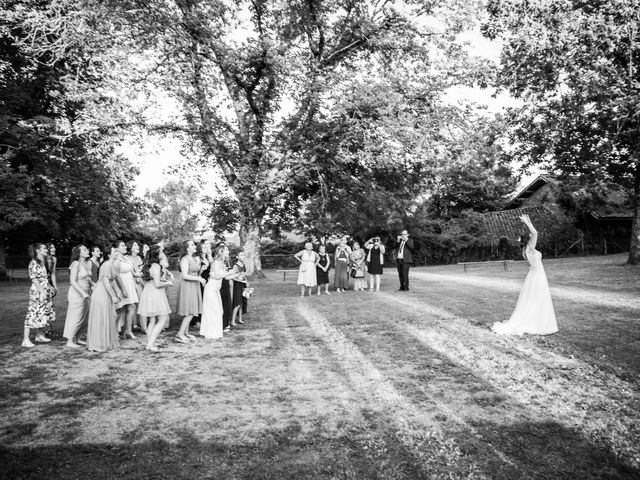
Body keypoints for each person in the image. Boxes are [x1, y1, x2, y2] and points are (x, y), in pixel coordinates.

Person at [492, 214, 558, 335]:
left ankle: (536, 319)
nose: (532, 236)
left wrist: (528, 220)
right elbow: (535, 233)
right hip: (537, 274)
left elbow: (533, 234)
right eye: (530, 237)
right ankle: (537, 323)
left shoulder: (525, 250)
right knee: (538, 297)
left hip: (533, 274)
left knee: (533, 298)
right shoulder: (530, 248)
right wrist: (526, 222)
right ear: (529, 240)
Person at [86, 243, 121, 353]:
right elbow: (106, 283)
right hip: (101, 293)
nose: (117, 253)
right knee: (100, 318)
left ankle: (105, 342)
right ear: (109, 255)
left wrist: (118, 291)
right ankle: (97, 344)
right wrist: (114, 296)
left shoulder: (110, 264)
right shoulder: (106, 265)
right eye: (114, 251)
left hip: (105, 292)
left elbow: (113, 280)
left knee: (105, 317)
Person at [138, 245, 173, 351]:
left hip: (148, 292)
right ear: (157, 254)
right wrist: (168, 282)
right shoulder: (156, 266)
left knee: (153, 320)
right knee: (163, 318)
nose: (163, 253)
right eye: (161, 252)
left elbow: (152, 281)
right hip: (155, 293)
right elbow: (157, 284)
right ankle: (150, 344)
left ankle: (150, 342)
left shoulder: (149, 265)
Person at [23, 243, 56, 347]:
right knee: (33, 313)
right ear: (38, 250)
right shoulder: (33, 263)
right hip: (37, 292)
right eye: (44, 248)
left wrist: (50, 287)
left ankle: (39, 335)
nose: (46, 250)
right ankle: (25, 339)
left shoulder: (42, 262)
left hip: (44, 290)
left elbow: (44, 278)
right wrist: (42, 291)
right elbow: (34, 279)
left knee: (43, 313)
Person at [175, 240, 205, 343]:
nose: (194, 246)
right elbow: (185, 275)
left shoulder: (193, 258)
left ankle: (186, 333)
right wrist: (199, 279)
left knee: (191, 310)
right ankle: (179, 334)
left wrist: (202, 267)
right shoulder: (184, 259)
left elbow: (196, 272)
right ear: (187, 248)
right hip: (187, 286)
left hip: (194, 285)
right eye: (192, 244)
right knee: (190, 311)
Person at [200, 244, 232, 339]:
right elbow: (217, 276)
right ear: (221, 252)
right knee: (214, 311)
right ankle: (211, 333)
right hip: (211, 290)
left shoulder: (222, 263)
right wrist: (229, 272)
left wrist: (235, 274)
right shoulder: (216, 263)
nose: (228, 252)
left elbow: (226, 277)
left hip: (215, 290)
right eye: (226, 251)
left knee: (219, 311)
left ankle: (214, 332)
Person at [63, 245, 92, 348]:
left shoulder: (86, 263)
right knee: (76, 317)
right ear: (78, 253)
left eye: (87, 249)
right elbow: (72, 281)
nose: (87, 250)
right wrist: (82, 293)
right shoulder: (75, 264)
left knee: (84, 317)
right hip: (77, 294)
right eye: (84, 249)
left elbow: (88, 279)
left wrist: (94, 285)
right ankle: (69, 341)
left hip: (87, 293)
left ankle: (78, 338)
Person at [115, 240, 139, 339]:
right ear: (116, 249)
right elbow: (116, 276)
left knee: (132, 307)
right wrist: (123, 289)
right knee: (119, 309)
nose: (125, 247)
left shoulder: (126, 258)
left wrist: (146, 274)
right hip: (121, 285)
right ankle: (114, 332)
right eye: (122, 246)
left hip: (130, 285)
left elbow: (133, 273)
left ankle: (128, 330)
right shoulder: (117, 260)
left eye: (125, 245)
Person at [231, 251, 248, 326]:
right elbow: (233, 277)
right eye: (241, 255)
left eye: (243, 255)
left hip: (243, 285)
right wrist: (240, 280)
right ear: (237, 257)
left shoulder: (243, 265)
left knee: (241, 303)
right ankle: (232, 321)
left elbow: (244, 275)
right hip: (237, 285)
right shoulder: (235, 266)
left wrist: (246, 282)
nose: (243, 256)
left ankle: (240, 319)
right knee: (237, 303)